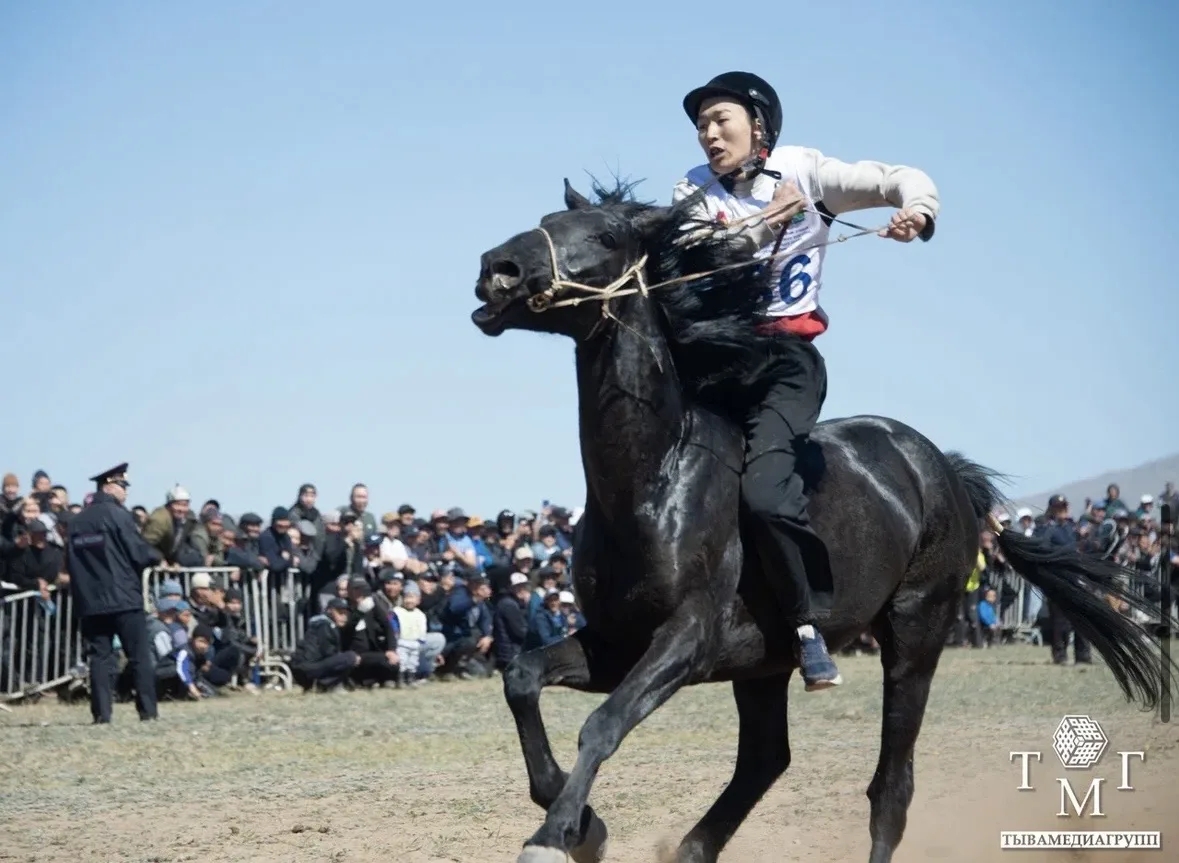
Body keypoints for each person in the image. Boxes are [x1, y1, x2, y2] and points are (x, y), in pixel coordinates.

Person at [672, 71, 940, 690]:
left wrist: (916, 212)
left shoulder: (806, 170)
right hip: (715, 367)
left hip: (785, 365)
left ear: (758, 125)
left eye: (721, 121)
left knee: (765, 490)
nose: (708, 134)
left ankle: (807, 626)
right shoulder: (691, 191)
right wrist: (766, 223)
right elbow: (704, 260)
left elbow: (901, 177)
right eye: (701, 126)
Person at [66, 463, 164, 722]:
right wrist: (157, 557)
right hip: (123, 599)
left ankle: (101, 715)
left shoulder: (76, 522)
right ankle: (148, 712)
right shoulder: (119, 515)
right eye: (123, 485)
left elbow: (72, 564)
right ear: (109, 485)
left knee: (99, 659)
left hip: (91, 603)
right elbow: (138, 552)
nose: (126, 492)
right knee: (139, 656)